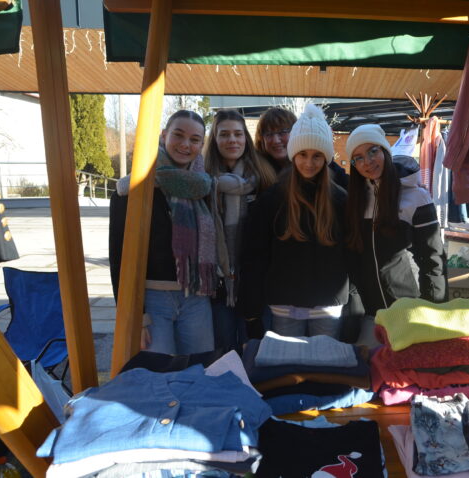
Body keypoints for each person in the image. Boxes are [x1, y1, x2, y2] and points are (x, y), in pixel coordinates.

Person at [109, 110, 217, 355]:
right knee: (157, 372)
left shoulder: (205, 187)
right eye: (178, 135)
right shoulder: (134, 189)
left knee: (199, 370)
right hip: (152, 300)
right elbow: (118, 258)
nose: (185, 144)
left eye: (194, 139)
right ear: (164, 135)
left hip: (197, 297)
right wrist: (135, 316)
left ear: (201, 145)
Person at [241, 104, 349, 338]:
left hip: (327, 303)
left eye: (317, 155)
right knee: (288, 360)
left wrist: (355, 306)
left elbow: (352, 253)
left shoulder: (340, 199)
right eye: (302, 154)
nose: (309, 163)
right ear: (293, 155)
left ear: (326, 158)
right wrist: (252, 311)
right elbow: (255, 254)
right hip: (284, 302)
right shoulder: (272, 198)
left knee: (324, 359)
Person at [344, 124, 446, 317]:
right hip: (370, 313)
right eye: (358, 158)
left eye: (373, 151)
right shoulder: (355, 201)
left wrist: (434, 310)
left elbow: (433, 259)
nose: (367, 162)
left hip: (410, 310)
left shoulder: (415, 197)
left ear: (385, 151)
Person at [204, 109, 277, 352]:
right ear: (214, 139)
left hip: (256, 285)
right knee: (224, 354)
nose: (232, 140)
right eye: (224, 134)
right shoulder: (203, 180)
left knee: (257, 354)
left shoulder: (263, 177)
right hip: (218, 285)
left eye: (238, 134)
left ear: (246, 137)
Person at [255, 106, 350, 188]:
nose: (276, 140)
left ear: (295, 132)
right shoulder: (256, 171)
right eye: (269, 134)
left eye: (282, 132)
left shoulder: (323, 165)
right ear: (261, 139)